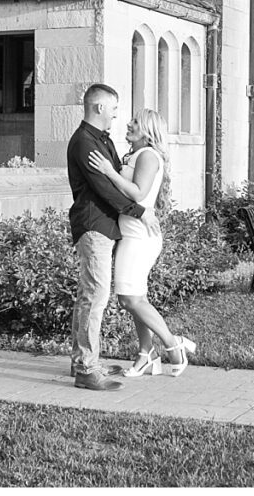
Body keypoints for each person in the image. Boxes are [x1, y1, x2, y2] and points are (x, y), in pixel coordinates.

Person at [87, 108, 197, 378]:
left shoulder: (148, 155)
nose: (128, 123)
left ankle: (174, 344)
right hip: (131, 233)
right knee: (137, 297)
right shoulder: (136, 155)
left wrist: (108, 171)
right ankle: (146, 354)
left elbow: (138, 194)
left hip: (140, 237)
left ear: (147, 131)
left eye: (135, 122)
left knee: (128, 298)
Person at [67, 84, 160, 392]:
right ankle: (87, 368)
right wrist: (139, 212)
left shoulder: (100, 140)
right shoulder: (84, 142)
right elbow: (104, 189)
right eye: (115, 110)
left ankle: (83, 360)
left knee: (89, 296)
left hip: (105, 227)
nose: (118, 117)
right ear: (100, 108)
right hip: (94, 227)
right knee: (95, 297)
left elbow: (118, 179)